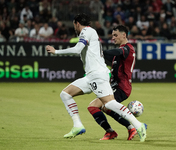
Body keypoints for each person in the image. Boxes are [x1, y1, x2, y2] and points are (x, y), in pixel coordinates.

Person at [45, 13, 147, 142]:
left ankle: (137, 126)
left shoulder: (87, 31)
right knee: (65, 94)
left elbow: (77, 49)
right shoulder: (90, 34)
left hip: (101, 76)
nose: (113, 38)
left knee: (109, 104)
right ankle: (78, 125)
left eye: (116, 35)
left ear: (77, 23)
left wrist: (56, 52)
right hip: (91, 76)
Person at [87, 25, 138, 140]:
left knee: (99, 106)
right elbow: (105, 57)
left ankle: (131, 127)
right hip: (114, 87)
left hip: (121, 87)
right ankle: (115, 131)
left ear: (124, 35)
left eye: (115, 35)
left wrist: (99, 51)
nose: (113, 38)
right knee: (98, 107)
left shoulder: (127, 48)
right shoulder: (118, 54)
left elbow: (115, 52)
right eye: (112, 36)